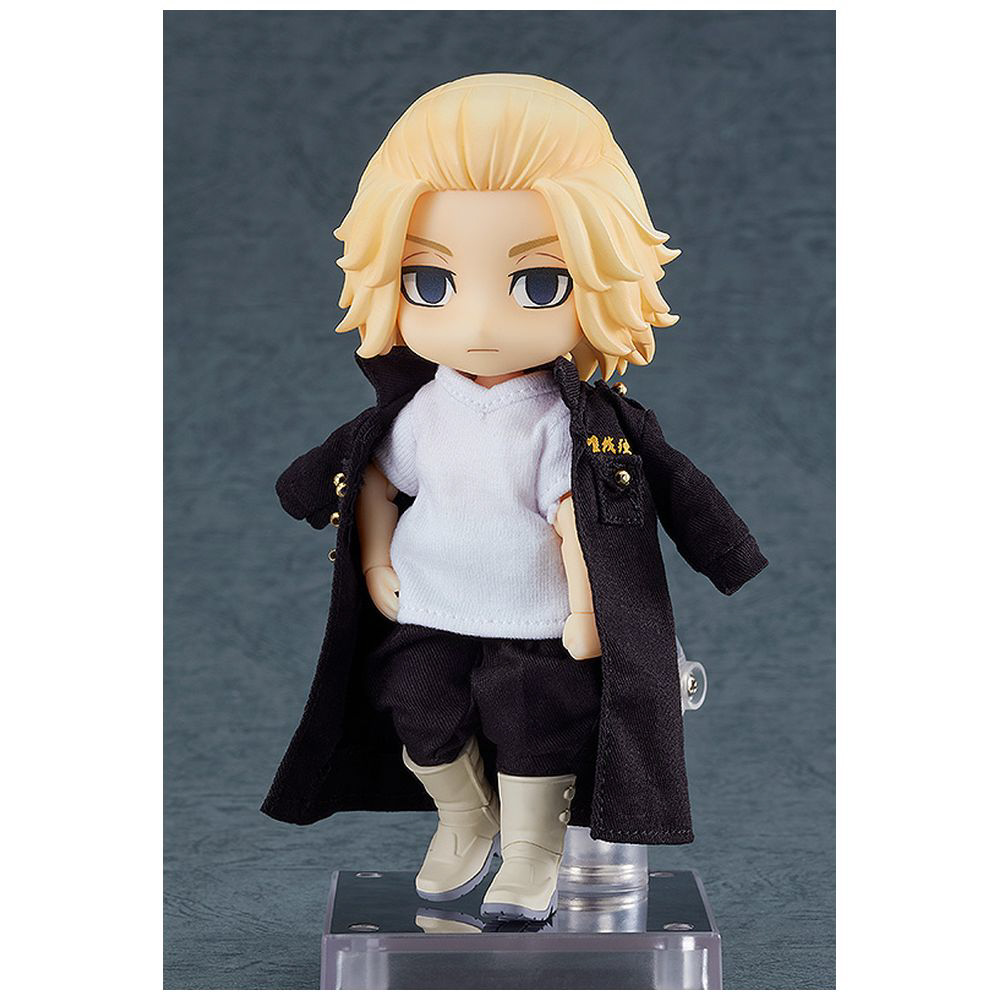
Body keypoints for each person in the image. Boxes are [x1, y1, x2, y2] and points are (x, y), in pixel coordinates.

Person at [263, 74, 767, 922]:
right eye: (431, 283)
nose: (479, 324)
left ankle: (532, 848)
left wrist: (588, 608)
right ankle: (465, 816)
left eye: (537, 284)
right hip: (430, 603)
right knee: (413, 701)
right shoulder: (418, 412)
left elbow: (580, 519)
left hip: (536, 617)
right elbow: (377, 479)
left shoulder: (567, 424)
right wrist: (377, 561)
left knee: (535, 723)